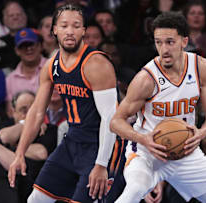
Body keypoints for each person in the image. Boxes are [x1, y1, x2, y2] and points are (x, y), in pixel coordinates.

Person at [110, 11, 206, 203]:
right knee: (134, 190)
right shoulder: (146, 79)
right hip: (148, 152)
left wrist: (200, 134)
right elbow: (115, 122)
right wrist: (144, 139)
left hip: (185, 151)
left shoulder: (201, 68)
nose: (164, 49)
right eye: (158, 42)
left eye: (170, 42)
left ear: (184, 41)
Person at [8, 4, 122, 203]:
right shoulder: (52, 65)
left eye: (76, 26)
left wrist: (101, 164)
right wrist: (19, 153)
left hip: (102, 143)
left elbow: (110, 118)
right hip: (72, 141)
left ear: (84, 31)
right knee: (35, 200)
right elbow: (36, 112)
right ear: (54, 30)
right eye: (64, 25)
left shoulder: (96, 64)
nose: (70, 31)